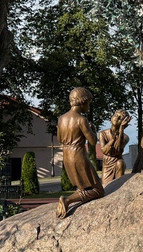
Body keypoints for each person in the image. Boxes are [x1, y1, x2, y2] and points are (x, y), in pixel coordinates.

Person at [54, 88, 104, 218]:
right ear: (83, 102)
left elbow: (59, 139)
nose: (89, 106)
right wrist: (92, 129)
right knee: (98, 190)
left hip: (67, 155)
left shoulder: (61, 119)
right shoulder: (81, 120)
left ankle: (71, 199)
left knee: (83, 187)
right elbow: (93, 141)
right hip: (79, 155)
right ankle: (67, 200)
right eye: (88, 103)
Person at [98, 110, 131, 187]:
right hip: (107, 163)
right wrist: (112, 140)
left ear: (124, 122)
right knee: (105, 187)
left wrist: (121, 130)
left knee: (120, 163)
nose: (117, 118)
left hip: (117, 161)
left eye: (120, 118)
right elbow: (104, 151)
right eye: (116, 115)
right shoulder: (103, 133)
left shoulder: (125, 137)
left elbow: (117, 149)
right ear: (111, 118)